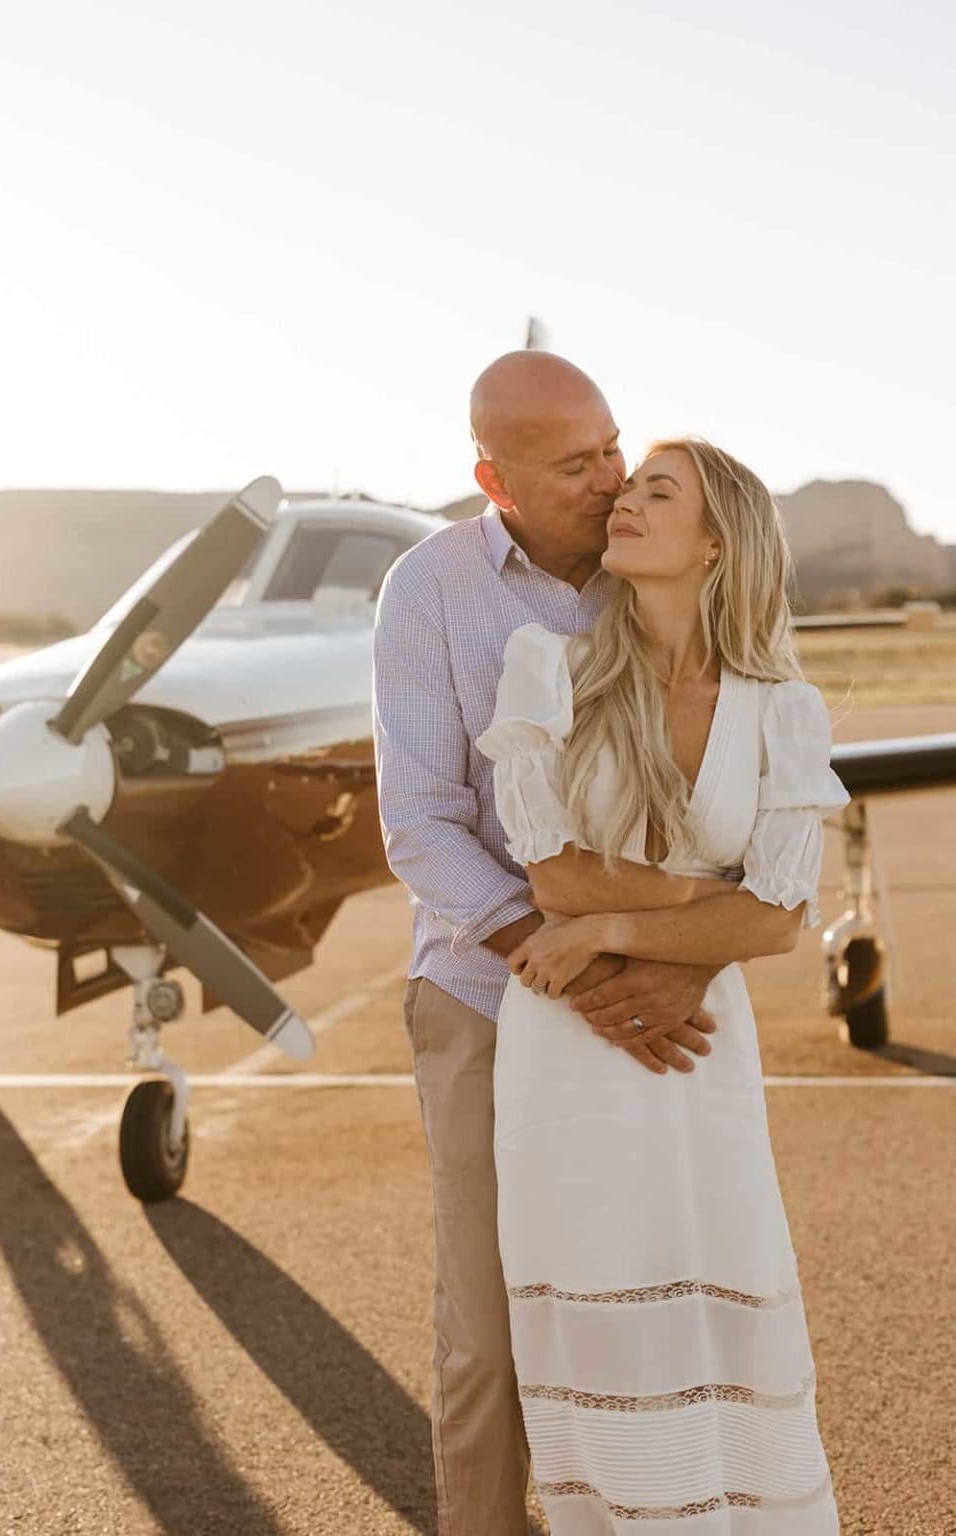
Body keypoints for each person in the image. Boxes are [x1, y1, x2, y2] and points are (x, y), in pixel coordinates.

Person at [373, 352, 740, 1534]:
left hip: (663, 1001)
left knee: (655, 1312)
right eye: (575, 463)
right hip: (485, 997)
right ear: (496, 477)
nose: (611, 478)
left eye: (613, 446)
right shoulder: (429, 590)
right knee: (488, 1331)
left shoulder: (680, 571)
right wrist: (576, 962)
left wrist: (668, 961)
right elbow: (420, 826)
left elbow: (743, 813)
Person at [476, 435, 847, 1531]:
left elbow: (779, 921)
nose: (623, 503)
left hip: (698, 1039)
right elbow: (551, 871)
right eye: (626, 487)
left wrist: (623, 931)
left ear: (718, 540)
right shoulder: (547, 669)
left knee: (717, 1284)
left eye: (656, 491)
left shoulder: (783, 707)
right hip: (563, 1048)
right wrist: (701, 905)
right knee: (598, 1310)